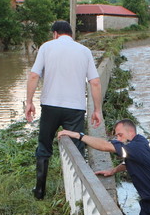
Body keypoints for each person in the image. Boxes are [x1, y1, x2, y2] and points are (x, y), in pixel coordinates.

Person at [25, 20, 103, 199]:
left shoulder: (46, 47)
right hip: (75, 108)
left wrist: (29, 102)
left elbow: (34, 75)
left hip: (50, 106)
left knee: (44, 148)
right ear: (71, 34)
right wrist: (97, 110)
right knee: (77, 149)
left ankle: (39, 192)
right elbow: (95, 82)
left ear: (55, 34)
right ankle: (78, 195)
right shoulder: (84, 51)